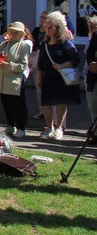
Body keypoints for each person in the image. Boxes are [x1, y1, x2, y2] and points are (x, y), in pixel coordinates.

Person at [37, 10, 80, 140]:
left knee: (61, 103)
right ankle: (49, 127)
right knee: (45, 103)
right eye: (46, 27)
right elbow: (40, 63)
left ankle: (59, 128)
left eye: (50, 27)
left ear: (58, 28)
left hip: (61, 78)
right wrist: (39, 78)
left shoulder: (65, 43)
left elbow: (75, 59)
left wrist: (62, 66)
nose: (47, 30)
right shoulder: (44, 45)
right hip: (48, 77)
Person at [0, 22, 31, 138]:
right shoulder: (4, 44)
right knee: (6, 102)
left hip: (15, 79)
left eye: (16, 33)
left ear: (21, 34)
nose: (13, 35)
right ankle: (10, 124)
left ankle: (21, 127)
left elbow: (23, 65)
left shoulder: (24, 46)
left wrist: (8, 65)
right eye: (11, 32)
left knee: (17, 104)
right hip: (3, 78)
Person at [30, 11, 48, 119]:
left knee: (47, 88)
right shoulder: (36, 30)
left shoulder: (49, 31)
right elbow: (33, 43)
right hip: (37, 60)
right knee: (39, 87)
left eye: (44, 18)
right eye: (41, 17)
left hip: (46, 62)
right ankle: (42, 110)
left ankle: (49, 110)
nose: (42, 19)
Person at [84, 15, 97, 143]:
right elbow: (89, 54)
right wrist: (92, 64)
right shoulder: (95, 36)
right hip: (94, 77)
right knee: (94, 107)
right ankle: (95, 134)